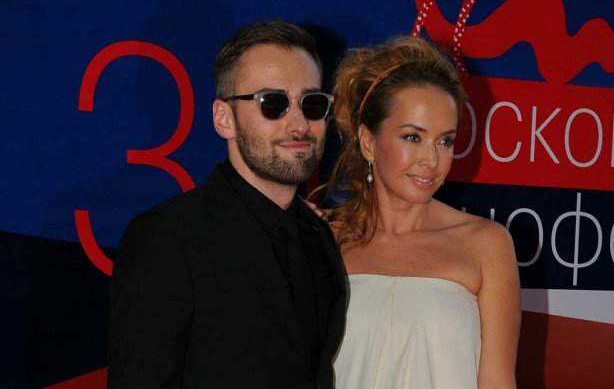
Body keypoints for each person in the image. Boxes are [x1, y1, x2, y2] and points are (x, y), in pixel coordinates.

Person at [107, 19, 346, 389]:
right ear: (224, 119)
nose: (299, 124)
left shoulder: (317, 236)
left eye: (312, 103)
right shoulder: (168, 239)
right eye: (273, 103)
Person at [314, 36, 521, 388]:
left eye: (445, 141)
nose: (432, 160)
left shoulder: (486, 244)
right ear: (368, 142)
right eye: (413, 137)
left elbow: (497, 382)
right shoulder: (322, 239)